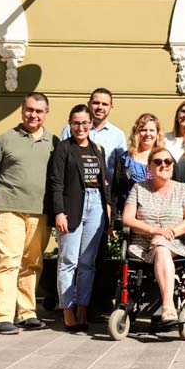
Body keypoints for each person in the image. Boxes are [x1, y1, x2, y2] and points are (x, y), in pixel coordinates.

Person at [0, 92, 58, 335]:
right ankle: (2, 316)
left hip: (40, 211)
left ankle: (27, 312)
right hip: (9, 207)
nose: (34, 115)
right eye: (30, 109)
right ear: (22, 110)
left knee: (32, 263)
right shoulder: (5, 139)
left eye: (39, 111)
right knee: (8, 261)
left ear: (46, 114)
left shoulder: (54, 141)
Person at [49, 104, 112, 331]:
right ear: (70, 124)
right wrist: (59, 212)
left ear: (90, 124)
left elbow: (104, 182)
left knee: (88, 263)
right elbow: (55, 182)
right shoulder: (63, 148)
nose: (81, 127)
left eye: (85, 123)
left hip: (96, 205)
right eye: (76, 123)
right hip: (73, 206)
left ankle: (83, 308)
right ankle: (68, 310)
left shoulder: (98, 149)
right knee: (68, 261)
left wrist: (108, 211)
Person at [122, 147, 185, 322]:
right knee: (160, 246)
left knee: (162, 247)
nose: (163, 165)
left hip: (175, 244)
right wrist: (154, 231)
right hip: (141, 246)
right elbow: (127, 218)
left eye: (167, 161)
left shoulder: (183, 189)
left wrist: (168, 234)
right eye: (157, 162)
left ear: (172, 166)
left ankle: (167, 305)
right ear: (149, 167)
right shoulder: (139, 188)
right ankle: (168, 306)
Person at [60, 88, 127, 181]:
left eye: (105, 104)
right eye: (96, 103)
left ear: (111, 107)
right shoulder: (70, 129)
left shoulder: (118, 135)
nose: (100, 107)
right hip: (73, 192)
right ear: (88, 104)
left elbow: (120, 170)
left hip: (103, 193)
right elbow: (61, 163)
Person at [112, 113, 164, 215]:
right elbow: (117, 190)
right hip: (130, 213)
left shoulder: (165, 158)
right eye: (143, 130)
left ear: (157, 133)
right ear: (137, 132)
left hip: (159, 213)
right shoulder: (126, 159)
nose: (147, 134)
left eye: (152, 130)